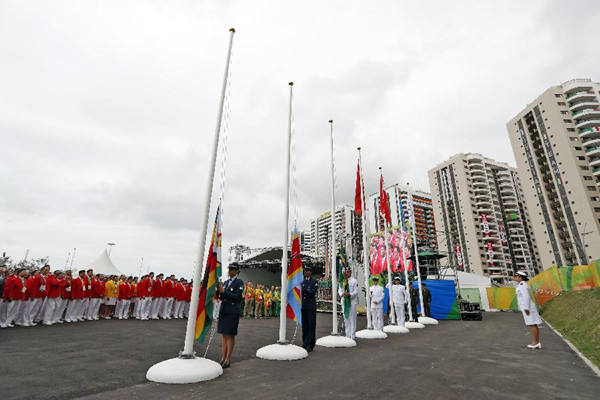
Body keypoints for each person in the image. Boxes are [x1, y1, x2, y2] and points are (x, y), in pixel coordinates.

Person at [216, 265, 244, 369]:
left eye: (232, 269)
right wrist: (218, 290)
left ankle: (228, 358)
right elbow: (221, 296)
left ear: (237, 271)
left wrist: (224, 292)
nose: (230, 271)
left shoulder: (239, 282)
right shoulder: (226, 282)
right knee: (224, 335)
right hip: (224, 310)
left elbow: (237, 297)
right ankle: (223, 357)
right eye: (229, 269)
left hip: (232, 311)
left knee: (230, 334)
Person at [514, 271, 542, 349]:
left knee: (532, 324)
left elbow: (526, 297)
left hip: (528, 308)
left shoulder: (522, 285)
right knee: (532, 324)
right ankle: (536, 342)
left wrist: (526, 308)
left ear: (520, 277)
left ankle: (536, 342)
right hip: (527, 307)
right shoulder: (520, 285)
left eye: (516, 276)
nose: (514, 277)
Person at [301, 266, 318, 351]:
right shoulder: (302, 281)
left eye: (307, 271)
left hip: (310, 306)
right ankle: (305, 342)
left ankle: (310, 344)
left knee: (311, 325)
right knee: (305, 326)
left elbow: (312, 292)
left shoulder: (314, 281)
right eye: (305, 271)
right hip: (303, 306)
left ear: (311, 272)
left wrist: (304, 290)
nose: (305, 272)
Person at [339, 268, 358, 339]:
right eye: (346, 272)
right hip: (344, 301)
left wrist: (350, 294)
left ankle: (352, 335)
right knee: (346, 318)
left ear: (351, 272)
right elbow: (339, 289)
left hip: (352, 302)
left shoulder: (354, 281)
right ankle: (347, 334)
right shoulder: (342, 281)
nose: (347, 273)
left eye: (349, 272)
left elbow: (356, 291)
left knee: (352, 319)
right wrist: (342, 294)